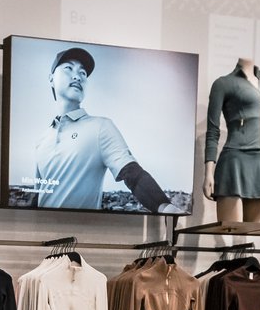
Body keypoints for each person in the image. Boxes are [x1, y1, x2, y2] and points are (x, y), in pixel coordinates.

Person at [29, 46, 171, 211]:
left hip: (82, 232)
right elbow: (38, 193)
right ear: (51, 79)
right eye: (69, 68)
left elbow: (133, 175)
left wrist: (164, 206)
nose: (77, 76)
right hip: (40, 233)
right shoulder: (41, 139)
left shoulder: (100, 127)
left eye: (83, 73)